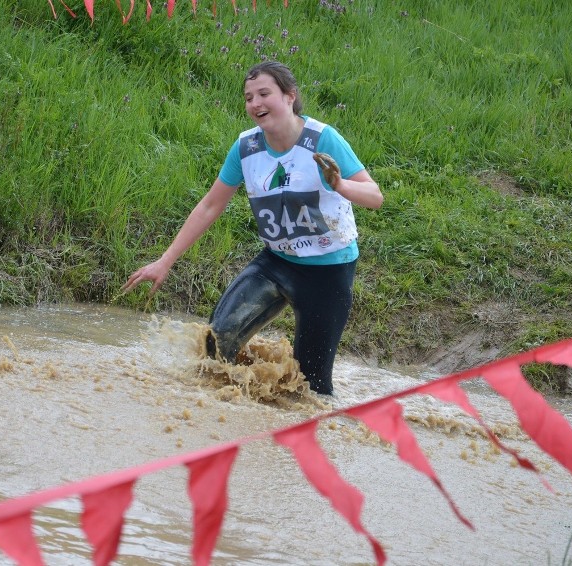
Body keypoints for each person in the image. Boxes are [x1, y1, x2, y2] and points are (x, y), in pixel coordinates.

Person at [122, 61, 383, 395]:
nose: (255, 103)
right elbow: (209, 205)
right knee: (218, 340)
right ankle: (229, 412)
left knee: (310, 388)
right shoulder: (246, 148)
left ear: (290, 97)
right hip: (276, 263)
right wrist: (165, 260)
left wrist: (340, 185)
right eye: (248, 97)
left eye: (264, 94)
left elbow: (375, 197)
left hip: (328, 272)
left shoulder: (323, 139)